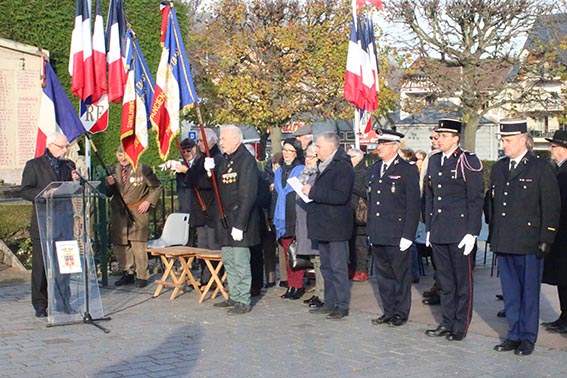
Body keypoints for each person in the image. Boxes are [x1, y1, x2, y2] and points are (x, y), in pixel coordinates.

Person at [489, 119, 560, 355]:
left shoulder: (539, 168)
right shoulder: (499, 168)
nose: (504, 144)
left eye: (508, 140)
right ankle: (514, 334)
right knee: (510, 293)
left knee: (529, 294)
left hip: (529, 241)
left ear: (523, 140)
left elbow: (551, 206)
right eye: (502, 140)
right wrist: (494, 236)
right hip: (506, 239)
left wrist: (546, 238)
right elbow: (494, 205)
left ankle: (528, 337)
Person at [424, 119, 484, 342]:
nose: (439, 139)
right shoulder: (435, 160)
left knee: (462, 282)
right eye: (438, 135)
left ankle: (460, 324)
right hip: (439, 229)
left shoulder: (467, 161)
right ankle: (447, 321)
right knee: (444, 281)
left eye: (444, 135)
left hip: (460, 231)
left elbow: (475, 198)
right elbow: (430, 196)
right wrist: (429, 227)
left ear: (456, 138)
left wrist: (472, 232)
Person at [21, 132, 79, 318]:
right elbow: (25, 191)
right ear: (52, 145)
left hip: (63, 220)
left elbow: (73, 189)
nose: (65, 150)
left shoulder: (68, 165)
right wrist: (44, 194)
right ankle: (40, 304)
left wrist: (76, 182)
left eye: (66, 147)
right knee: (41, 266)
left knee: (64, 263)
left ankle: (63, 302)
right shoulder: (34, 165)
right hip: (43, 221)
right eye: (62, 147)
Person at [367, 130, 421, 327]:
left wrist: (408, 234)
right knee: (383, 277)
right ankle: (388, 311)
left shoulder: (407, 169)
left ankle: (400, 312)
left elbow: (413, 205)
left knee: (400, 276)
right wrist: (371, 231)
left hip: (397, 233)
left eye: (384, 143)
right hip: (379, 232)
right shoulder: (374, 169)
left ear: (395, 146)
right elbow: (373, 203)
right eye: (379, 143)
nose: (379, 147)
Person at [208, 125, 260, 315]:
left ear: (236, 139)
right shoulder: (225, 160)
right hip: (225, 220)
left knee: (240, 261)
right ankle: (235, 294)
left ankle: (243, 299)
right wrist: (209, 172)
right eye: (220, 139)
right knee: (229, 259)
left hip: (239, 220)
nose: (220, 142)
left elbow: (248, 195)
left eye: (223, 139)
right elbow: (217, 188)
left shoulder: (245, 161)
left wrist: (239, 224)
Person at [303, 132, 354, 320]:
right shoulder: (320, 166)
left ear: (331, 148)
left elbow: (340, 196)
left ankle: (342, 304)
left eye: (319, 146)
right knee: (326, 266)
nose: (316, 150)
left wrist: (313, 191)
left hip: (336, 225)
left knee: (338, 266)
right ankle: (329, 301)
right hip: (321, 223)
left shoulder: (343, 167)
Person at [106, 146, 162, 288]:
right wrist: (109, 185)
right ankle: (127, 272)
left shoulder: (142, 169)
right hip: (119, 212)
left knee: (138, 243)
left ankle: (142, 275)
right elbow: (108, 193)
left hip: (138, 210)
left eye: (125, 154)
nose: (123, 158)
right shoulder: (113, 170)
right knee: (121, 244)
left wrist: (148, 201)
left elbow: (157, 187)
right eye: (120, 155)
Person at [185, 129, 223, 285]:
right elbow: (190, 179)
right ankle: (205, 277)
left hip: (212, 209)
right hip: (201, 212)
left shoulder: (217, 158)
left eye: (201, 141)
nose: (199, 144)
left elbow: (209, 184)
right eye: (198, 141)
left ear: (211, 141)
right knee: (202, 247)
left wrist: (202, 176)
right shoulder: (201, 159)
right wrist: (188, 171)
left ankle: (215, 278)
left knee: (213, 246)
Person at [273, 138, 305, 299]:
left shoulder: (301, 170)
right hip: (281, 217)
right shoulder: (279, 171)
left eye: (290, 151)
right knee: (286, 253)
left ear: (296, 153)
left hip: (295, 215)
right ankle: (291, 285)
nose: (286, 154)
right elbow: (276, 194)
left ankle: (298, 285)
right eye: (284, 150)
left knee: (295, 254)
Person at [542, 130, 567, 334]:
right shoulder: (557, 170)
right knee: (561, 277)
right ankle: (564, 316)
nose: (551, 149)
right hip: (559, 234)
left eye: (555, 146)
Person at [296, 144, 324, 308]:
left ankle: (322, 294)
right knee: (314, 260)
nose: (308, 160)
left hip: (314, 220)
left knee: (319, 260)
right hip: (304, 220)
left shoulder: (318, 174)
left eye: (312, 157)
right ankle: (317, 293)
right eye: (306, 156)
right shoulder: (304, 174)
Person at [347, 148, 369, 281]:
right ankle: (352, 267)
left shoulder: (364, 172)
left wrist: (352, 186)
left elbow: (367, 192)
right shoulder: (347, 172)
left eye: (350, 156)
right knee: (350, 243)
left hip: (360, 213)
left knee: (360, 244)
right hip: (349, 211)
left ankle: (361, 269)